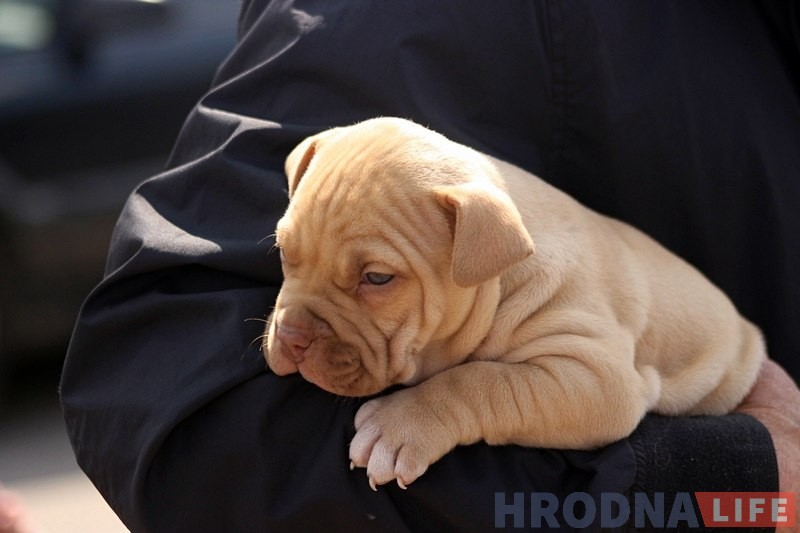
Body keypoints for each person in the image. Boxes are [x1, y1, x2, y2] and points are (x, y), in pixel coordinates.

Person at [60, 1, 800, 531]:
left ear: (481, 252)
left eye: (374, 280)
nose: (294, 327)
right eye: (290, 256)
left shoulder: (524, 265)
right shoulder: (395, 30)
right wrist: (735, 483)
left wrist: (450, 407)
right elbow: (164, 405)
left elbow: (600, 393)